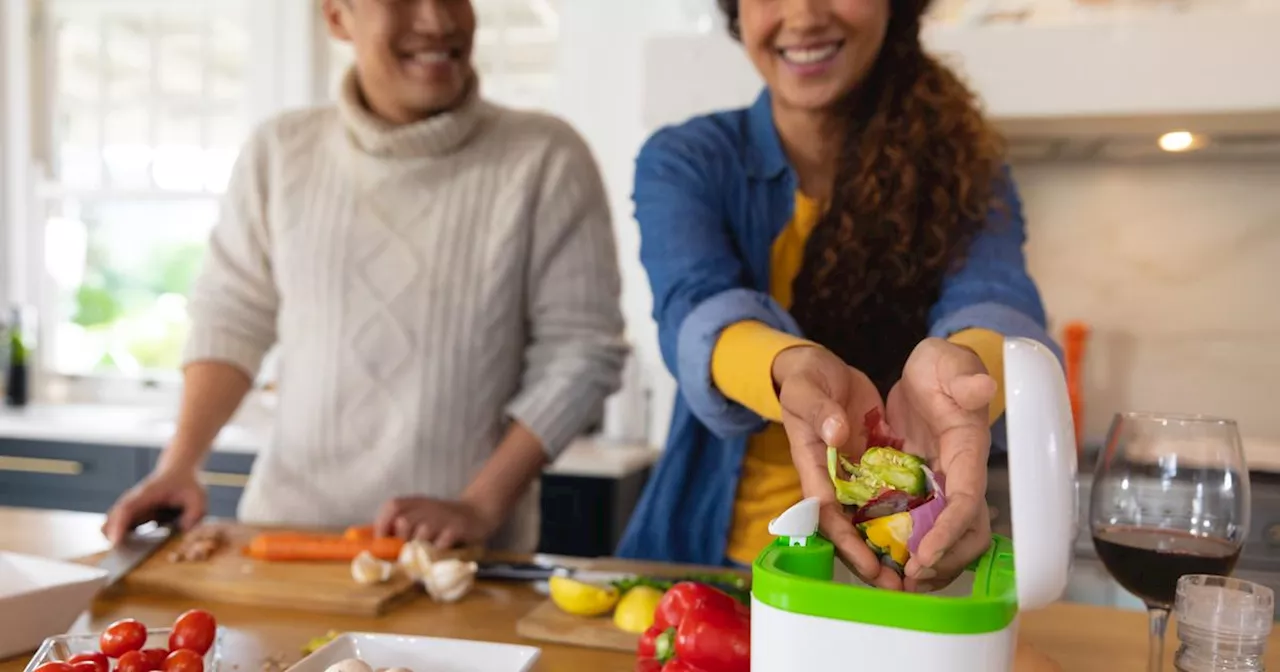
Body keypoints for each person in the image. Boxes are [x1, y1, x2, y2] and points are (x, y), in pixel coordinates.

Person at [103, 0, 628, 554]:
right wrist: (179, 465)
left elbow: (581, 353)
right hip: (284, 544)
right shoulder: (280, 151)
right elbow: (233, 315)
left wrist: (480, 505)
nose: (438, 21)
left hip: (454, 563)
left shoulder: (544, 156)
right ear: (336, 17)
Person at [616, 0, 1060, 592]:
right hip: (715, 567)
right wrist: (786, 368)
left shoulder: (966, 167)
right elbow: (697, 311)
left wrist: (965, 371)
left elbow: (998, 301)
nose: (802, 14)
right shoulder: (687, 160)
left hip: (898, 572)